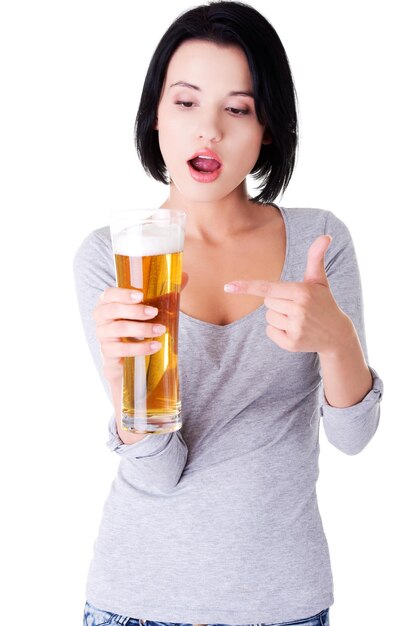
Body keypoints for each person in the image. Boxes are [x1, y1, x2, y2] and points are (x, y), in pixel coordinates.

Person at [74, 2, 384, 625]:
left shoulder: (319, 242)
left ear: (267, 126)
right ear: (155, 115)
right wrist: (128, 383)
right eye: (186, 102)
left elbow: (354, 438)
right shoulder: (113, 256)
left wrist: (337, 342)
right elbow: (160, 472)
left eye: (237, 108)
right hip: (134, 600)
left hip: (283, 603)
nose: (208, 130)